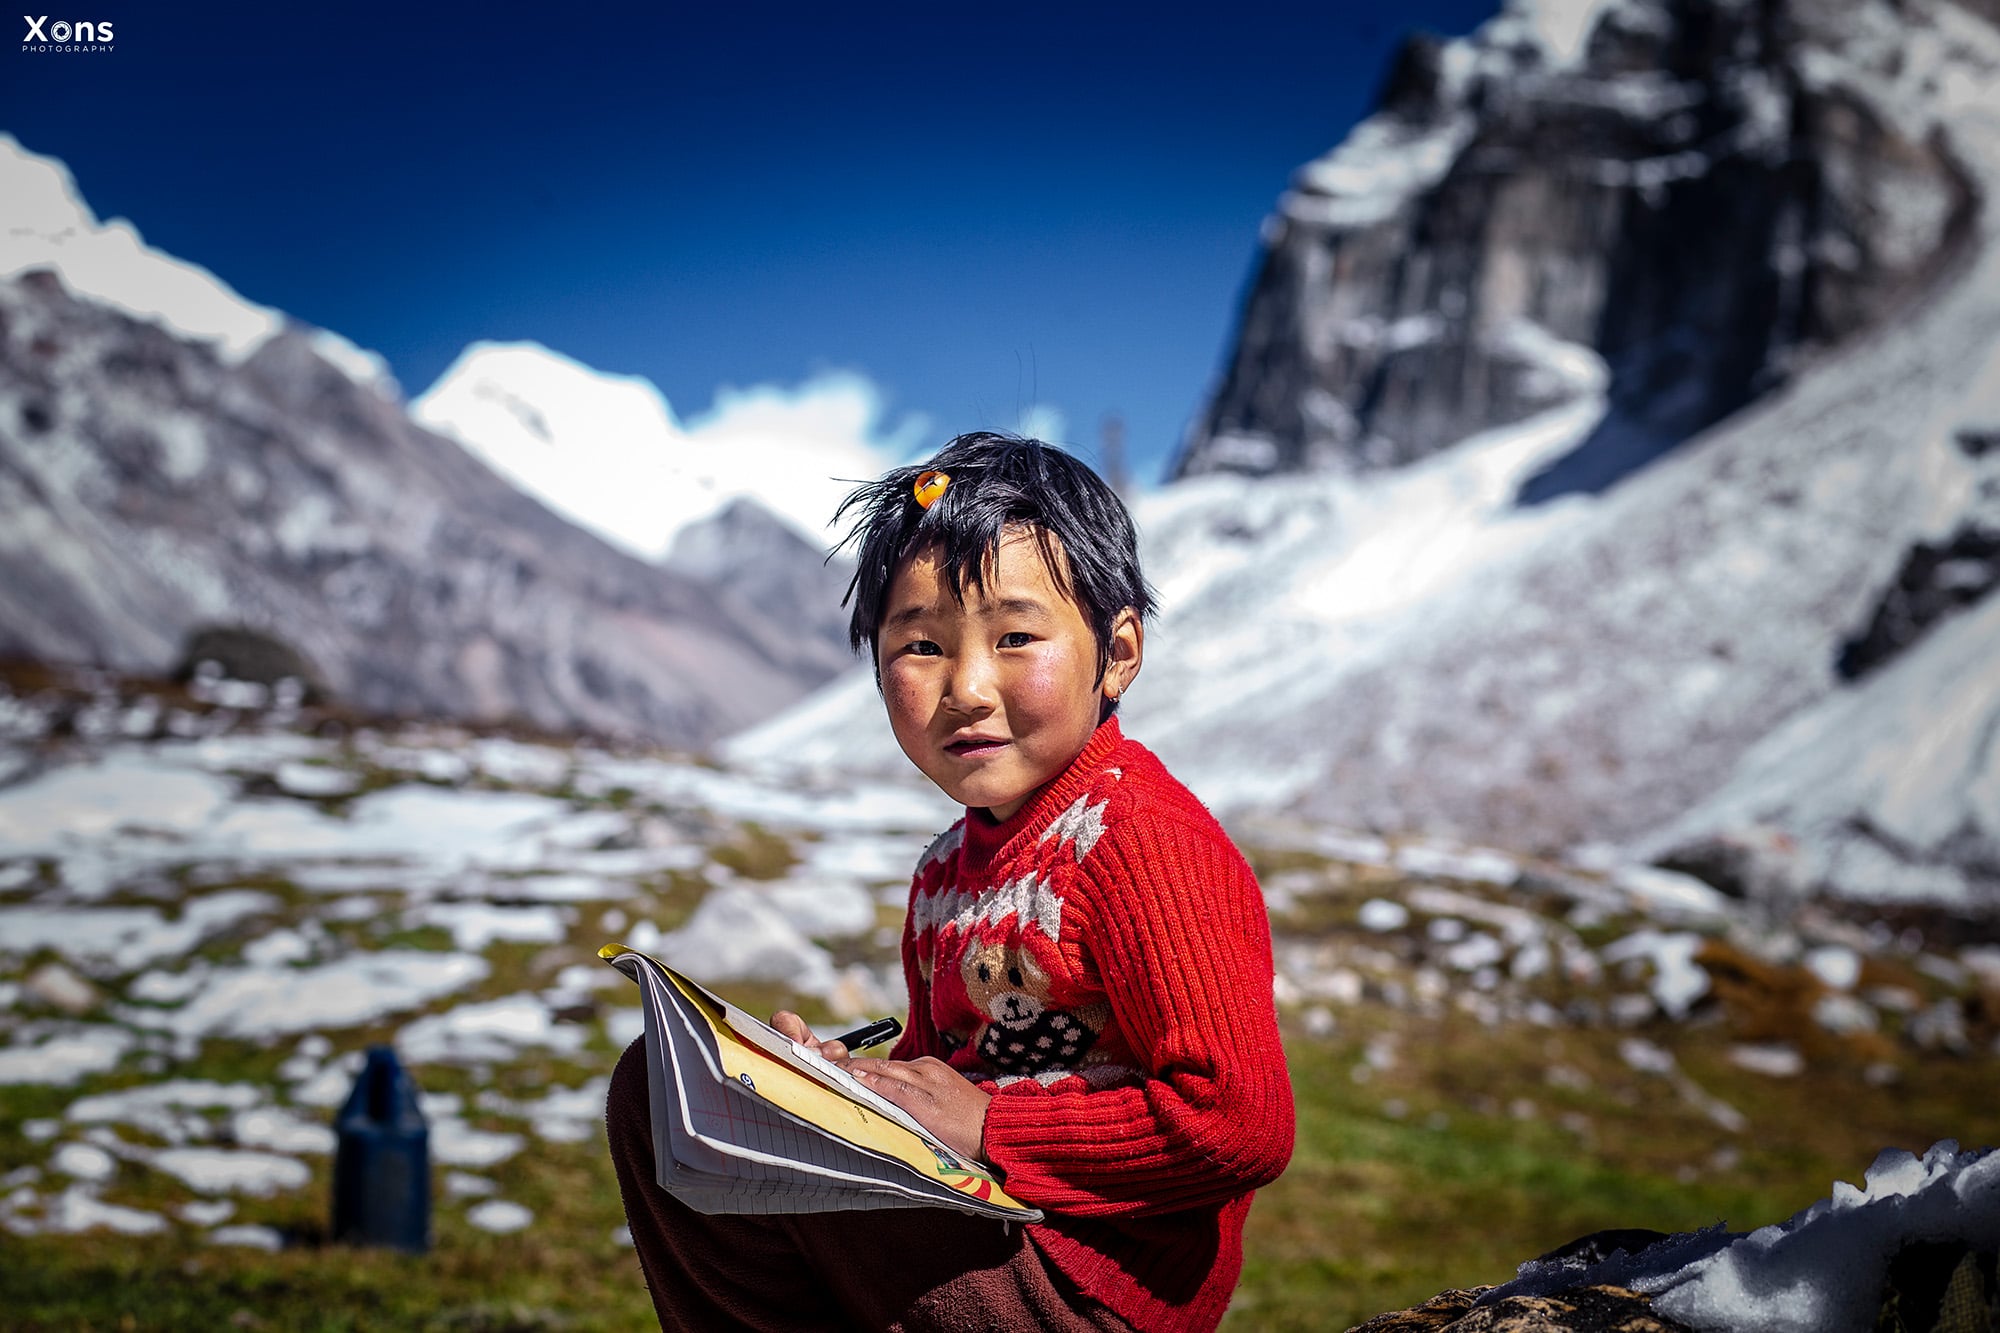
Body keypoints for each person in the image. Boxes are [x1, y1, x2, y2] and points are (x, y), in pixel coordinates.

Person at [605, 432, 1295, 1331]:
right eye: (921, 644)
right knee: (660, 1087)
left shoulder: (1142, 845)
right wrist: (847, 1084)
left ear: (1118, 653)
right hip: (978, 1225)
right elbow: (947, 1077)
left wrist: (989, 1130)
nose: (967, 686)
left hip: (1087, 1289)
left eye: (1015, 636)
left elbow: (1239, 1121)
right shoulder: (945, 870)